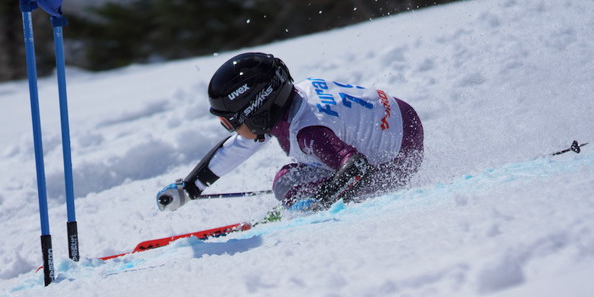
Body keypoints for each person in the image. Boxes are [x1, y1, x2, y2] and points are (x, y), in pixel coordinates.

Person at [157, 52, 424, 213]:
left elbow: (356, 167)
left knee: (286, 183)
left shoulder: (309, 131)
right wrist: (190, 188)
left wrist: (320, 202)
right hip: (402, 118)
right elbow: (239, 145)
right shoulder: (296, 97)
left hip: (397, 162)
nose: (231, 130)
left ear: (258, 110)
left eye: (230, 123)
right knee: (302, 170)